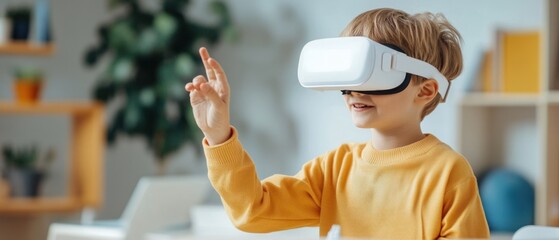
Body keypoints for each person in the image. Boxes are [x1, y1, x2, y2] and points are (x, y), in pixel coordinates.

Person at [184, 8, 490, 239]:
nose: (354, 91)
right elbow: (253, 210)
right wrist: (219, 135)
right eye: (348, 75)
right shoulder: (334, 170)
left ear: (424, 90)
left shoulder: (449, 173)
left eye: (371, 75)